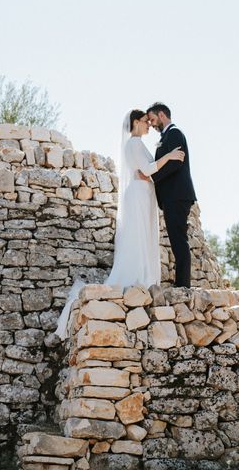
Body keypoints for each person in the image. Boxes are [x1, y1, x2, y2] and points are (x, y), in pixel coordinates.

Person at [54, 109, 184, 339]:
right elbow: (147, 170)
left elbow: (147, 172)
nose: (148, 125)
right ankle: (140, 277)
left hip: (144, 192)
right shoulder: (133, 144)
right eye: (145, 121)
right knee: (140, 235)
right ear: (136, 122)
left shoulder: (137, 144)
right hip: (139, 194)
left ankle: (146, 277)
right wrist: (170, 156)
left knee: (144, 234)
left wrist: (151, 173)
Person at [144, 102, 197, 288]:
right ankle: (182, 283)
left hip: (177, 195)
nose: (151, 124)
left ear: (162, 115)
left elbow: (175, 164)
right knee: (177, 239)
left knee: (178, 240)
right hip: (172, 196)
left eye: (152, 119)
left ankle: (183, 285)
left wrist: (151, 176)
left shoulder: (174, 133)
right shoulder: (167, 135)